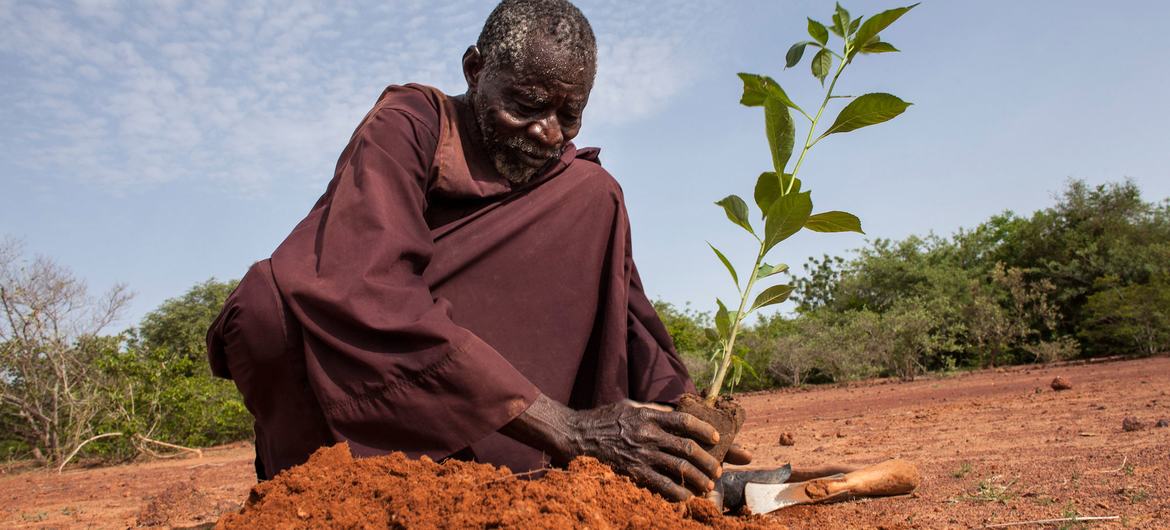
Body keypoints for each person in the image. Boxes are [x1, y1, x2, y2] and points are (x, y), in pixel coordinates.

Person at [206, 0, 750, 502]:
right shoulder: (410, 125)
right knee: (266, 304)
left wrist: (686, 419)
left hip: (474, 382)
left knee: (594, 194)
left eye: (570, 115)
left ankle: (596, 479)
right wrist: (567, 428)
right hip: (353, 380)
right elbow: (365, 287)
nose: (545, 132)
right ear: (474, 69)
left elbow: (627, 308)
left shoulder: (567, 178)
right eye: (526, 105)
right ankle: (323, 479)